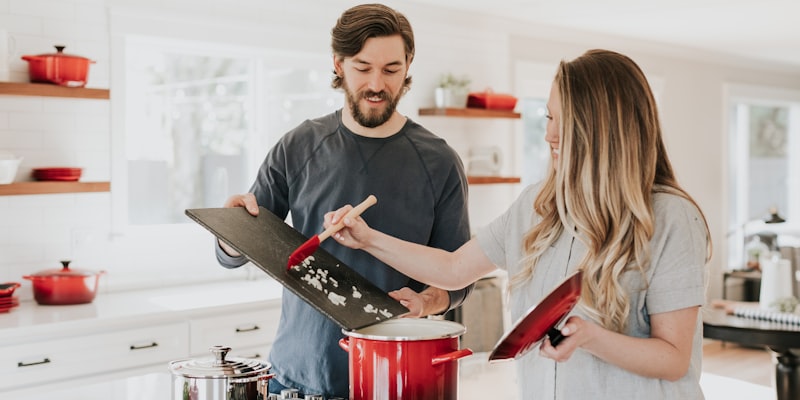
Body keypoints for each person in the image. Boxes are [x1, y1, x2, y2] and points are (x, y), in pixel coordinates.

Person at [328, 49, 712, 399]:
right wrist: (367, 238)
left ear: (605, 129)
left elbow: (674, 358)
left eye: (565, 121)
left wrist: (591, 338)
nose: (549, 135)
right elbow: (454, 268)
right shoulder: (537, 206)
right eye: (548, 117)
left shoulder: (672, 218)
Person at [214, 3, 472, 398]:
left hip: (395, 380)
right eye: (363, 68)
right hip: (296, 380)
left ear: (408, 66)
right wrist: (230, 233)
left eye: (391, 70)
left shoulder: (439, 162)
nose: (376, 84)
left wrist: (425, 301)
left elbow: (459, 278)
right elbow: (239, 248)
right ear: (338, 64)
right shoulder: (298, 145)